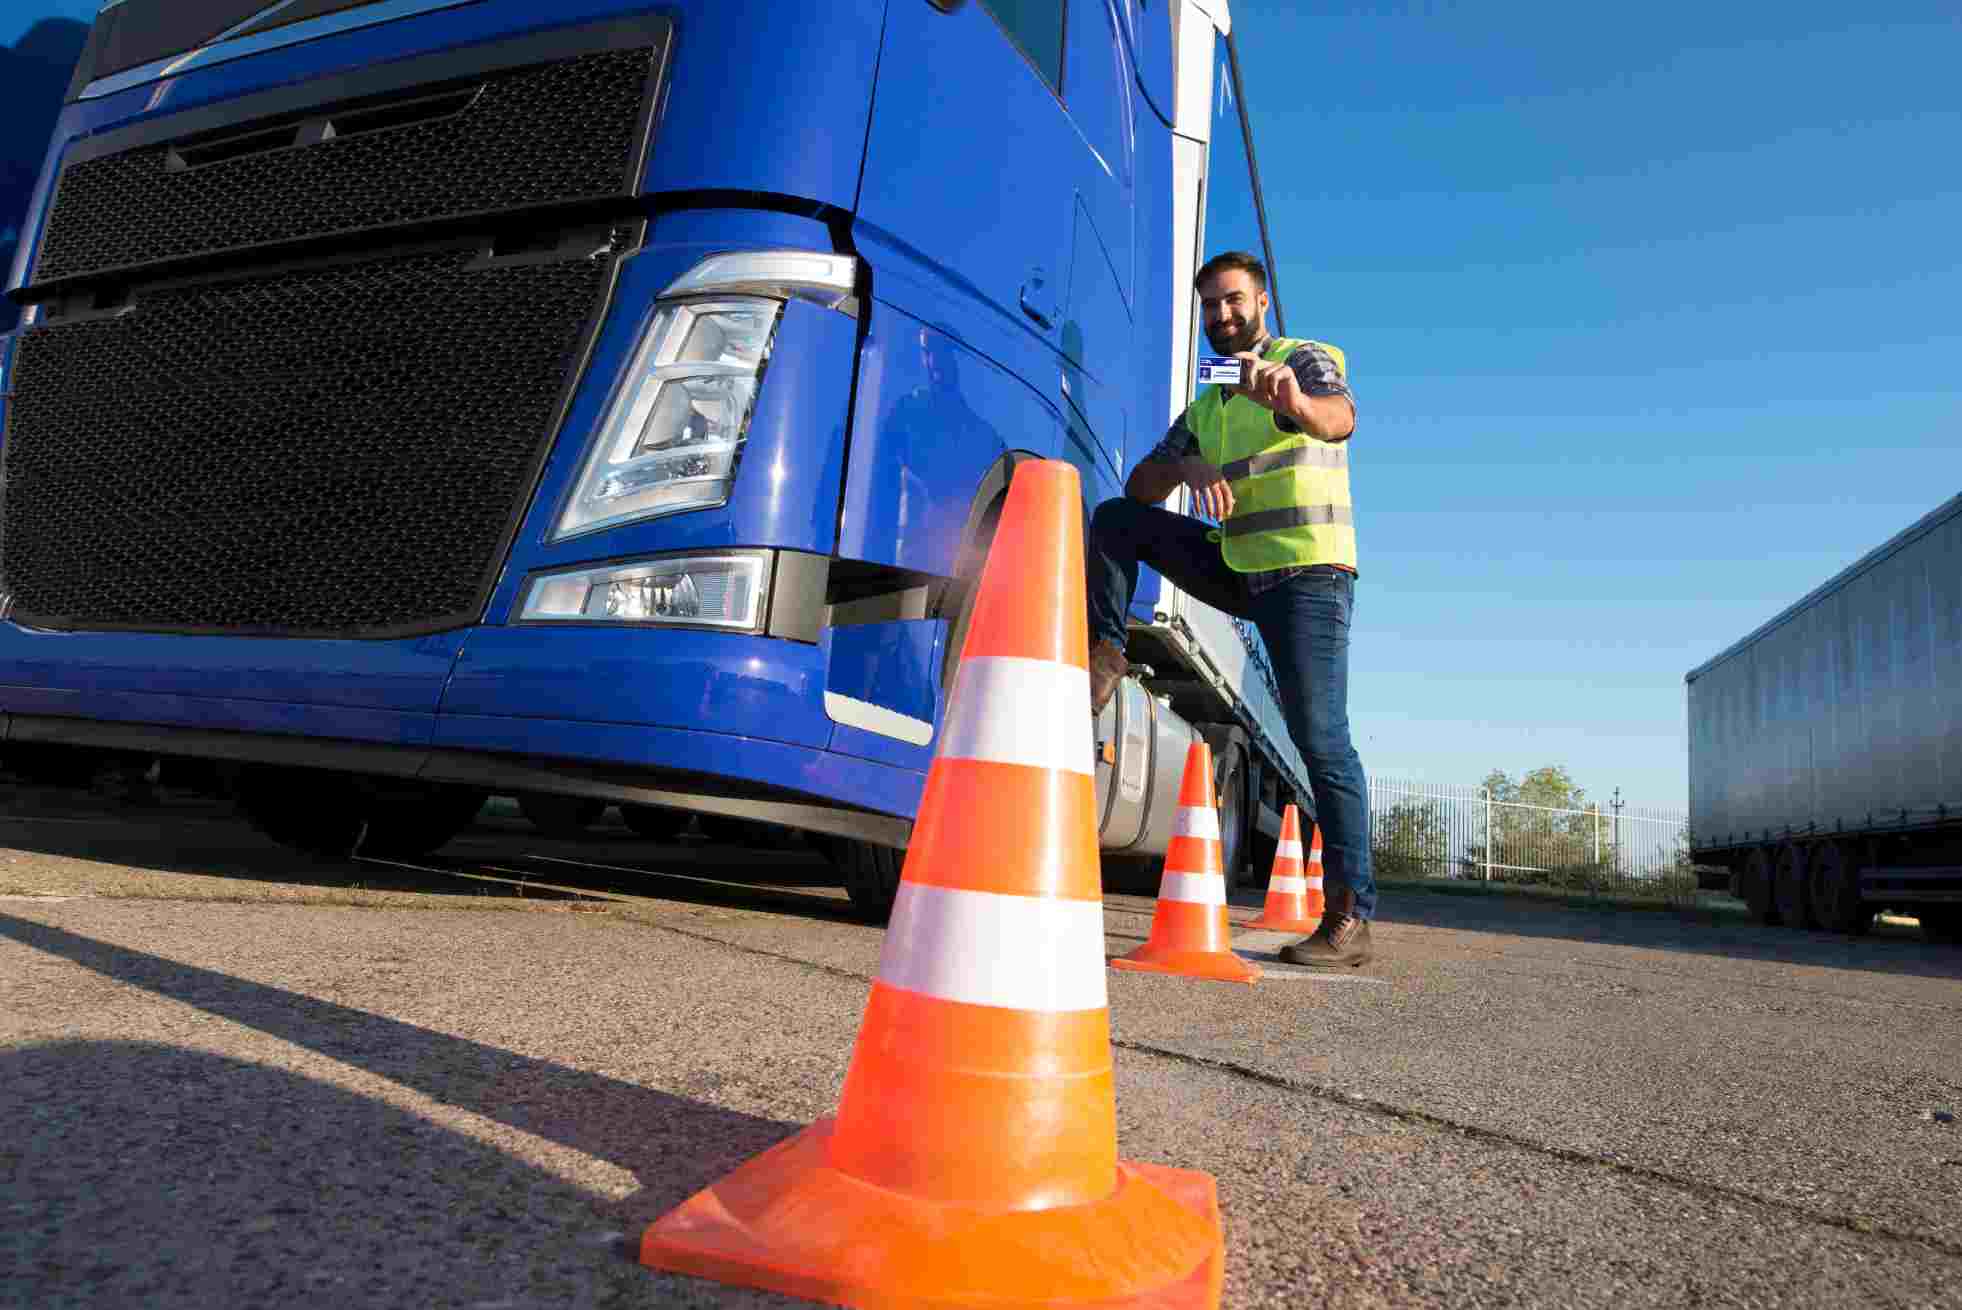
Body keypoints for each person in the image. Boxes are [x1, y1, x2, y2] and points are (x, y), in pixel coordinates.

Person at [1086, 250, 1374, 967]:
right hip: (1241, 568)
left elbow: (1339, 418)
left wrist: (1296, 404)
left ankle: (1349, 916)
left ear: (1263, 301)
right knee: (1119, 517)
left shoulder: (1304, 358)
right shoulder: (1211, 396)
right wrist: (1188, 465)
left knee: (1321, 740)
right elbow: (1142, 484)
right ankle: (1105, 652)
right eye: (1211, 305)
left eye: (1235, 301)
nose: (1223, 315)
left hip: (1308, 576)